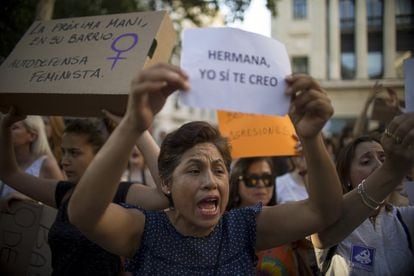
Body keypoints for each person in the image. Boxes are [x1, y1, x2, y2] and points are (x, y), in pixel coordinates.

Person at [68, 63, 344, 274]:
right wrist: (131, 126)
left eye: (219, 170)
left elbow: (323, 211)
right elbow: (84, 215)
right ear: (166, 184)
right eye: (194, 170)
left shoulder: (245, 228)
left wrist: (311, 137)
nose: (211, 181)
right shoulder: (143, 231)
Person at [0, 114, 168, 275]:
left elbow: (165, 194)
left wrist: (138, 127)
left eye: (74, 153)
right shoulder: (64, 192)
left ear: (99, 156)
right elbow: (9, 173)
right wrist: (6, 125)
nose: (64, 160)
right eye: (64, 152)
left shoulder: (120, 193)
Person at [311, 126, 414, 275]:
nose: (380, 166)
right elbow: (322, 235)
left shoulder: (405, 219)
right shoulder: (332, 220)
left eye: (384, 160)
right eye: (366, 161)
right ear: (346, 177)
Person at [228, 157, 312, 276]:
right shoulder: (221, 228)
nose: (261, 184)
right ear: (236, 184)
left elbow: (319, 215)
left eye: (267, 178)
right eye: (252, 180)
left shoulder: (285, 220)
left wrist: (305, 171)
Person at [0, 115, 63, 198]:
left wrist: (27, 200)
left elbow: (61, 200)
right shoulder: (4, 161)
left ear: (32, 136)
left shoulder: (47, 164)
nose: (7, 131)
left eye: (14, 128)